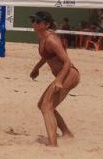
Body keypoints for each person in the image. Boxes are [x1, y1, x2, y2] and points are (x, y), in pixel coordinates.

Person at [29, 11, 80, 147]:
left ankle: (52, 144)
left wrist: (58, 80)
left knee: (47, 106)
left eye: (37, 21)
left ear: (46, 25)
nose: (34, 24)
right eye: (33, 20)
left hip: (69, 75)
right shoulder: (42, 37)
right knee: (42, 104)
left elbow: (67, 62)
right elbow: (46, 56)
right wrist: (36, 68)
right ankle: (66, 133)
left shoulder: (51, 40)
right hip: (63, 75)